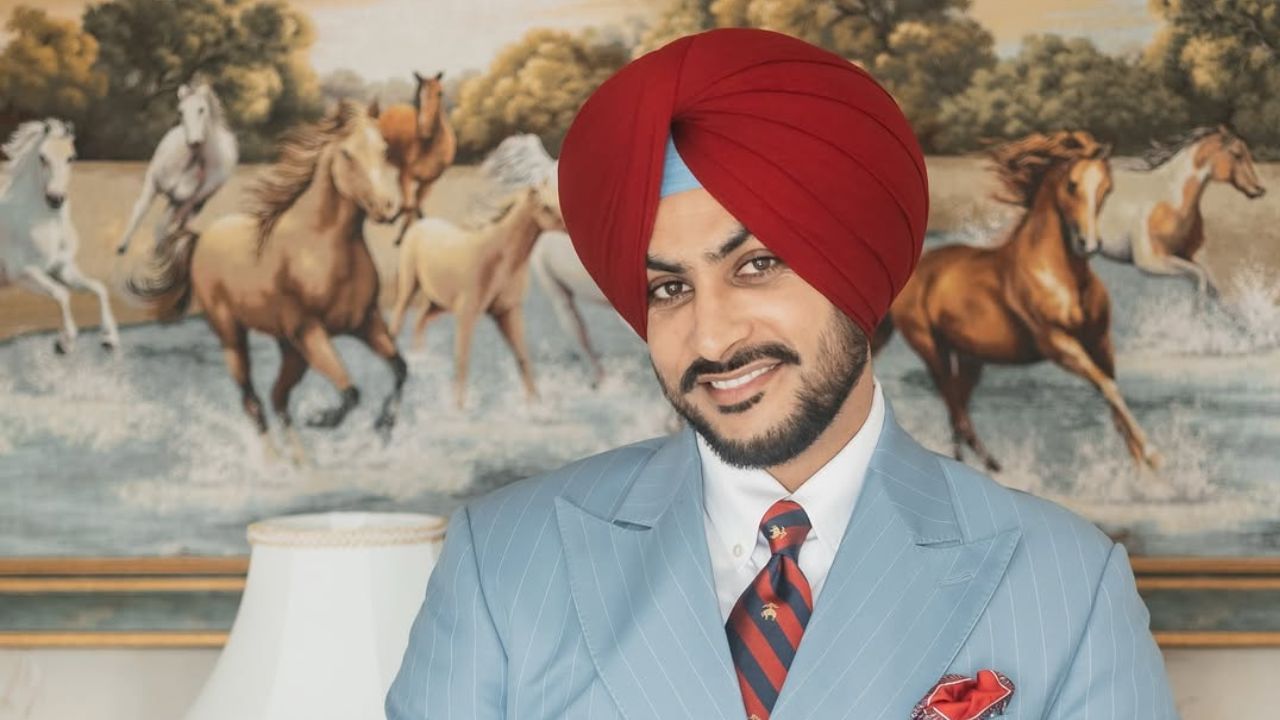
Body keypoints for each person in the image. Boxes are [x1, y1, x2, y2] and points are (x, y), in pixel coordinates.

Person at [386, 27, 1178, 720]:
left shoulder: (1067, 585)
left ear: (855, 269)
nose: (712, 335)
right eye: (669, 288)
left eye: (757, 265)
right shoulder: (503, 563)